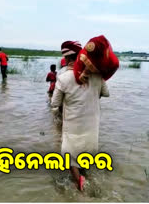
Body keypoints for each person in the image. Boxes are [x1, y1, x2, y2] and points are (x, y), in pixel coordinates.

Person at [51, 37, 118, 191]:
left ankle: (80, 185)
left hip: (73, 128)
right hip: (92, 128)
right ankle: (85, 178)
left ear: (66, 57)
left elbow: (54, 104)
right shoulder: (97, 75)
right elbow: (106, 93)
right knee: (85, 156)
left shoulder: (63, 78)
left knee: (69, 157)